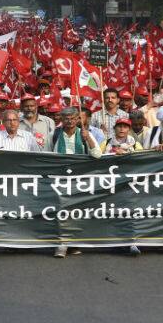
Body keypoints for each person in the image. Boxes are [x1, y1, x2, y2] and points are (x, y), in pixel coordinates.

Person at [46, 106, 100, 258]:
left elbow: (97, 154)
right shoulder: (54, 135)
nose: (69, 121)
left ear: (78, 119)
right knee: (61, 211)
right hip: (59, 179)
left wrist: (87, 138)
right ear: (61, 120)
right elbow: (45, 156)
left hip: (79, 179)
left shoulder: (85, 134)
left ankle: (74, 243)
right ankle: (61, 245)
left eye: (73, 118)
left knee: (76, 212)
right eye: (66, 118)